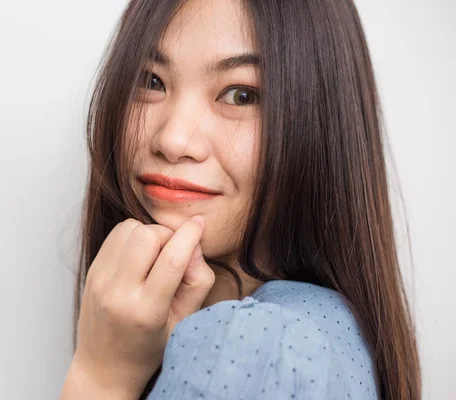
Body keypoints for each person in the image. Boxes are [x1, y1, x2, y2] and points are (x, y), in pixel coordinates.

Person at [60, 0, 421, 399]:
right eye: (151, 80)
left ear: (318, 121)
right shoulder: (331, 328)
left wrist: (102, 376)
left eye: (241, 95)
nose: (173, 140)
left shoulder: (252, 346)